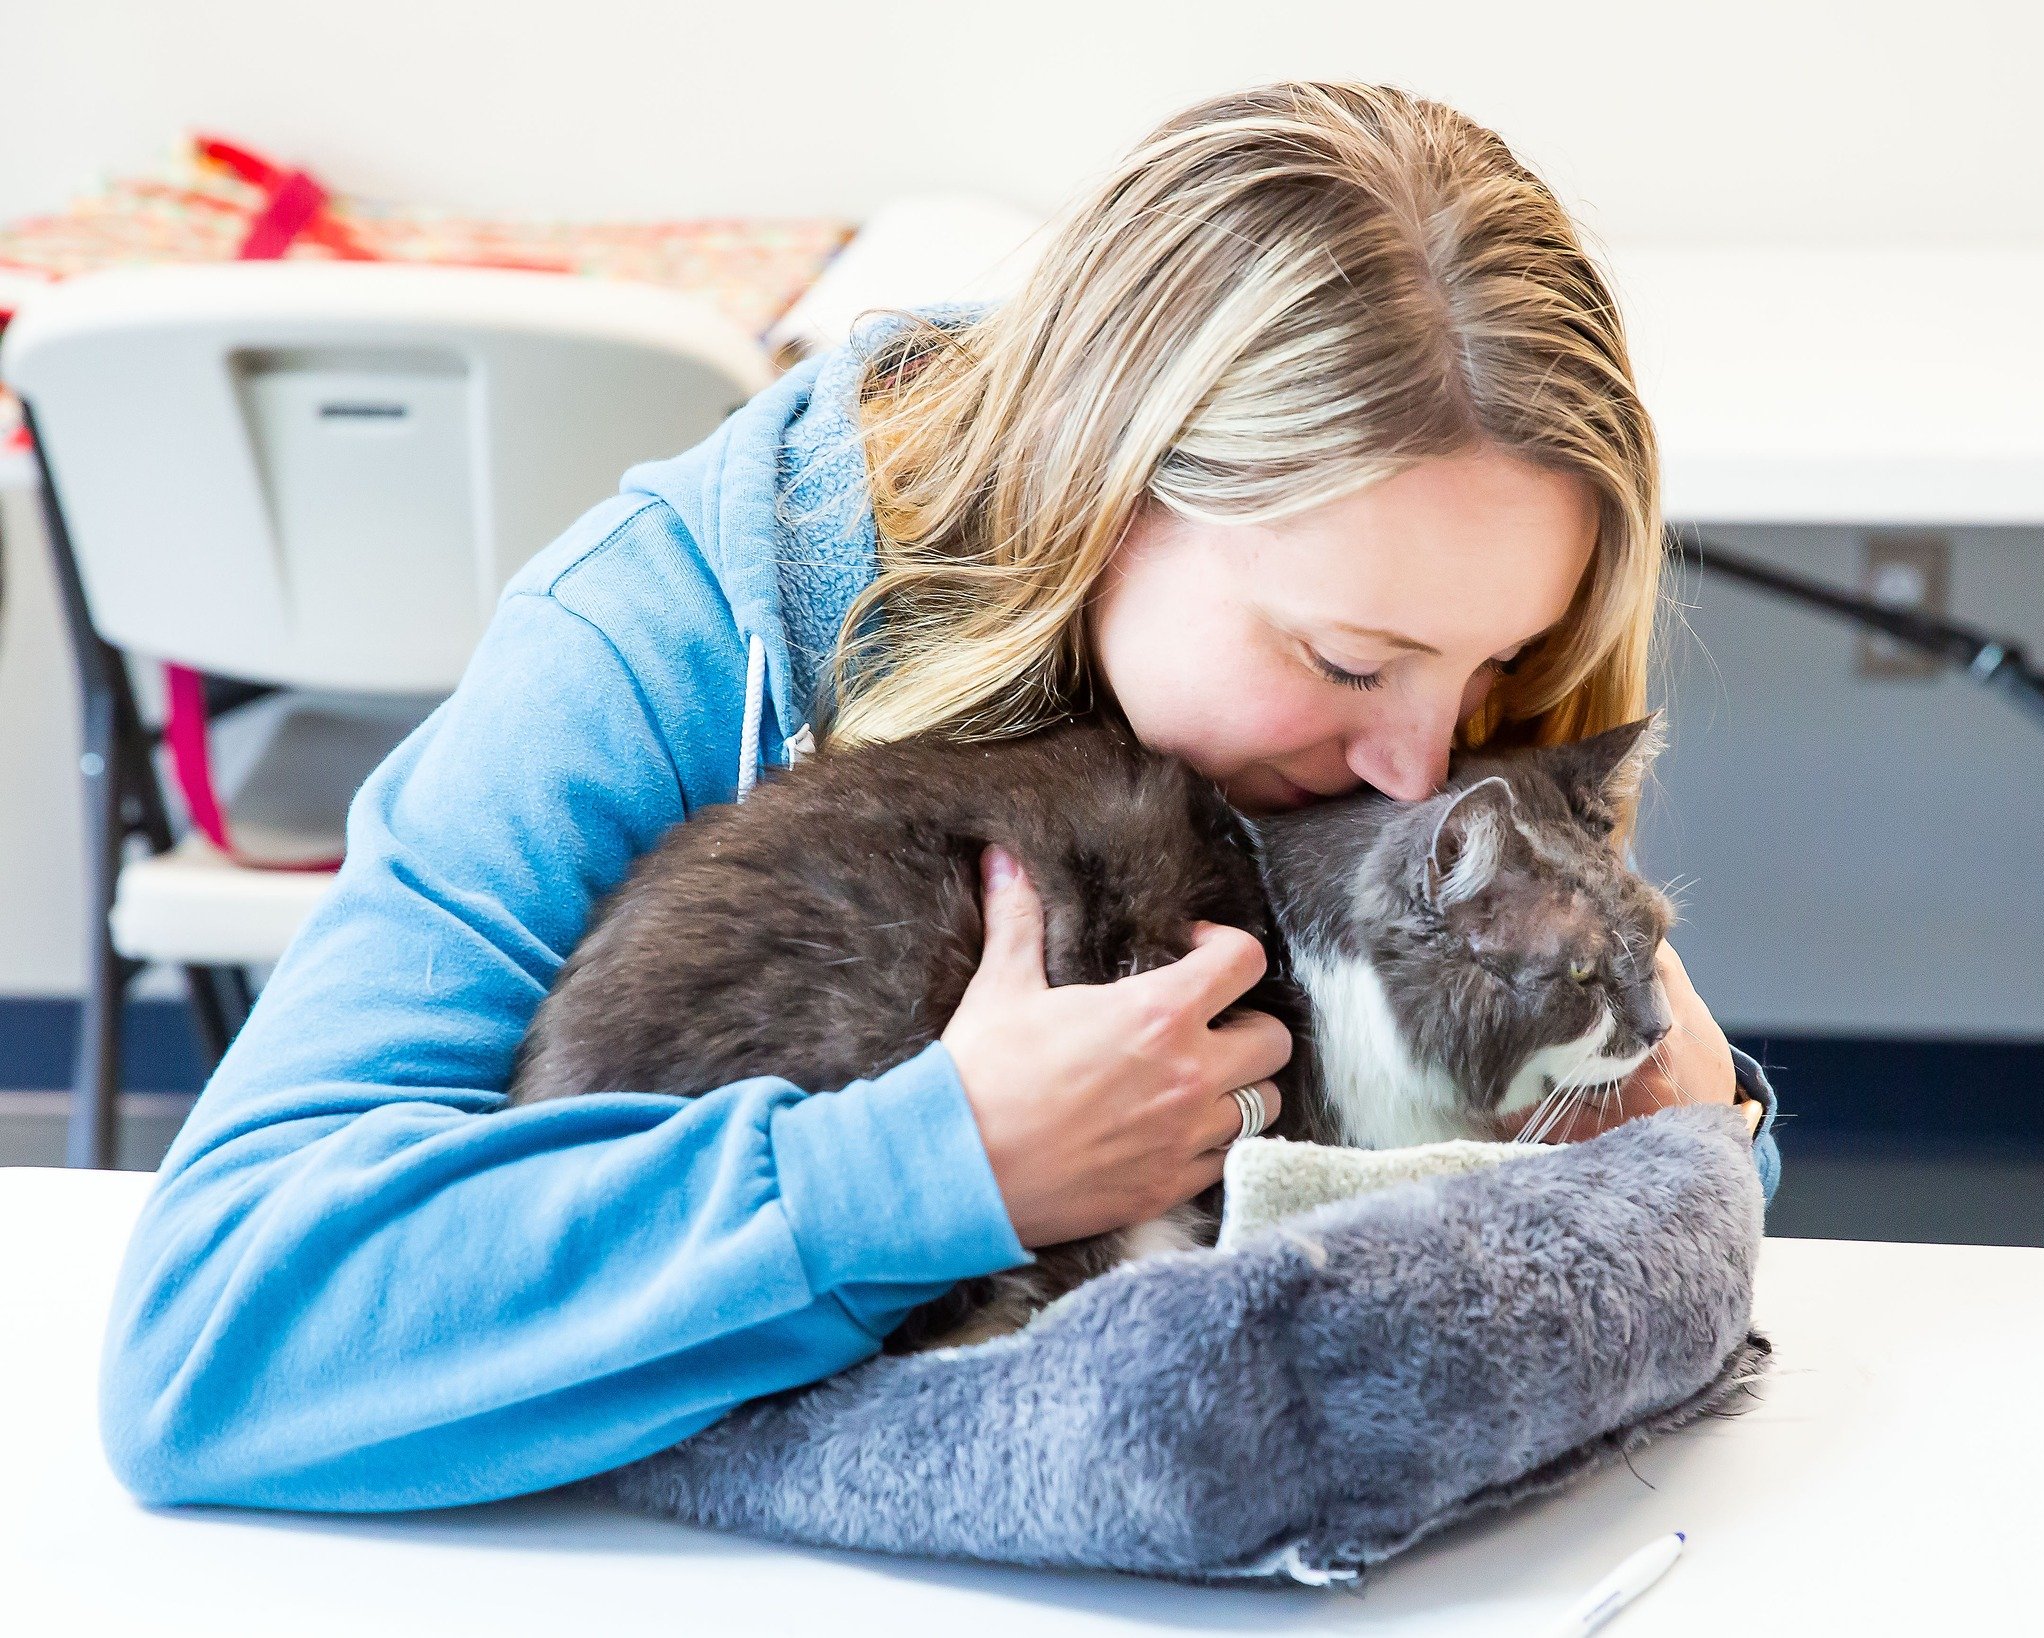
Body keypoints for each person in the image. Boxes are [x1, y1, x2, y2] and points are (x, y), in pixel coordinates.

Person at [98, 80, 1780, 1511]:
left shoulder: (1419, 686)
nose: (1422, 765)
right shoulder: (657, 630)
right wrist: (923, 1169)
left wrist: (1694, 1138)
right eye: (1347, 659)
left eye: (1493, 673)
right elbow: (209, 1338)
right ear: (1105, 490)